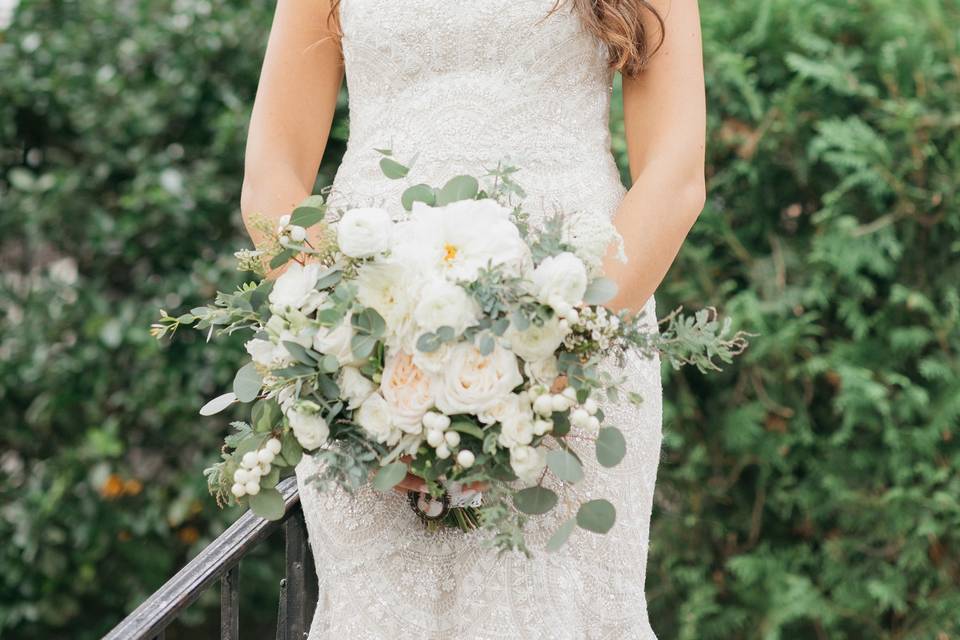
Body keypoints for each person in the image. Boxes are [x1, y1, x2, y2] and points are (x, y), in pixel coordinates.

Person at [240, 0, 705, 637]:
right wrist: (355, 364)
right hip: (366, 349)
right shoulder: (357, 365)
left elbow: (675, 174)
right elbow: (273, 174)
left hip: (579, 352)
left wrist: (554, 364)